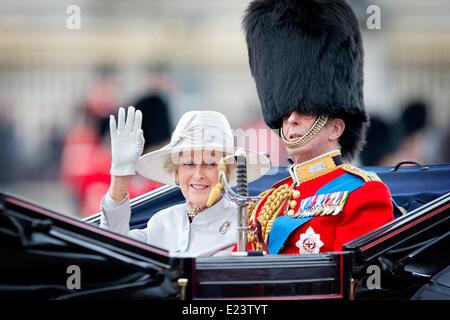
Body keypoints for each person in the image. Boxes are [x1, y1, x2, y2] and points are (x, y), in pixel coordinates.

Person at [242, 0, 395, 254]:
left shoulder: (363, 193)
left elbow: (351, 281)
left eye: (306, 110)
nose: (290, 119)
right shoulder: (270, 200)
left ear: (336, 128)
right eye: (285, 111)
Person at [99, 107, 270, 257]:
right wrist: (120, 173)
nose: (198, 174)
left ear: (228, 171)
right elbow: (114, 249)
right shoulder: (162, 222)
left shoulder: (245, 224)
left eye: (210, 164)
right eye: (188, 163)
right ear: (176, 172)